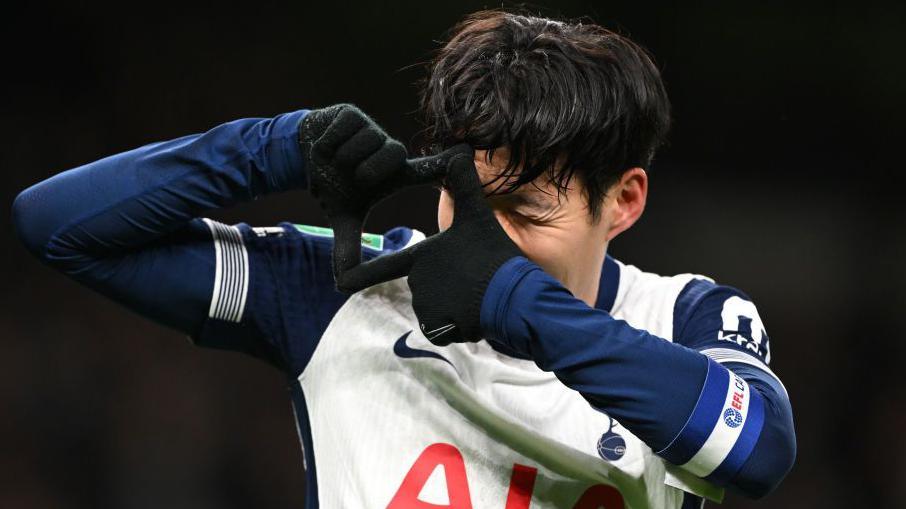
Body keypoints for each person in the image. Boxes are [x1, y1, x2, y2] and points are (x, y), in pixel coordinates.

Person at [11, 10, 795, 508]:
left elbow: (755, 451)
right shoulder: (349, 292)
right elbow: (59, 225)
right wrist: (267, 148)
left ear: (622, 201)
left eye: (523, 214)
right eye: (468, 201)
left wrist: (513, 302)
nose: (483, 239)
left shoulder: (688, 315)